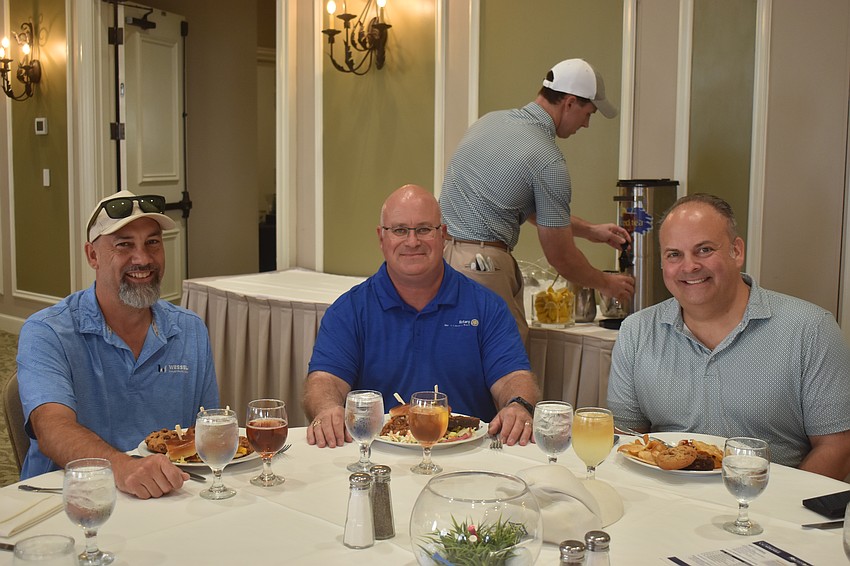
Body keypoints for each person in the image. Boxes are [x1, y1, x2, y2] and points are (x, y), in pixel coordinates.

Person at [607, 193, 850, 479]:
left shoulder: (810, 329)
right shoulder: (637, 331)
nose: (689, 267)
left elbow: (838, 447)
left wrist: (777, 510)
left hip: (768, 505)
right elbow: (626, 438)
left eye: (704, 250)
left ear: (737, 251)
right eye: (674, 254)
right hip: (666, 502)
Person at [17, 190, 220, 498]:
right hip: (68, 504)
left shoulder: (190, 330)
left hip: (164, 498)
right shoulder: (47, 332)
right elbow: (52, 429)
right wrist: (121, 467)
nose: (143, 259)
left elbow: (205, 431)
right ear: (92, 256)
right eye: (124, 245)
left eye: (152, 242)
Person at [303, 184, 540, 448]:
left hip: (466, 456)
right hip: (378, 456)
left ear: (443, 236)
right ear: (382, 238)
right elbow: (325, 380)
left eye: (424, 229)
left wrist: (519, 406)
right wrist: (327, 409)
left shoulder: (486, 307)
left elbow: (512, 377)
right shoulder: (349, 310)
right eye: (400, 230)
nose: (412, 241)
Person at [440, 58, 635, 340]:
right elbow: (561, 257)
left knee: (451, 363)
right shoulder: (547, 160)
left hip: (438, 258)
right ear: (569, 103)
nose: (587, 124)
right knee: (504, 371)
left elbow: (511, 202)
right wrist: (606, 283)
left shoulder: (489, 122)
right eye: (588, 113)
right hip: (482, 269)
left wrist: (590, 231)